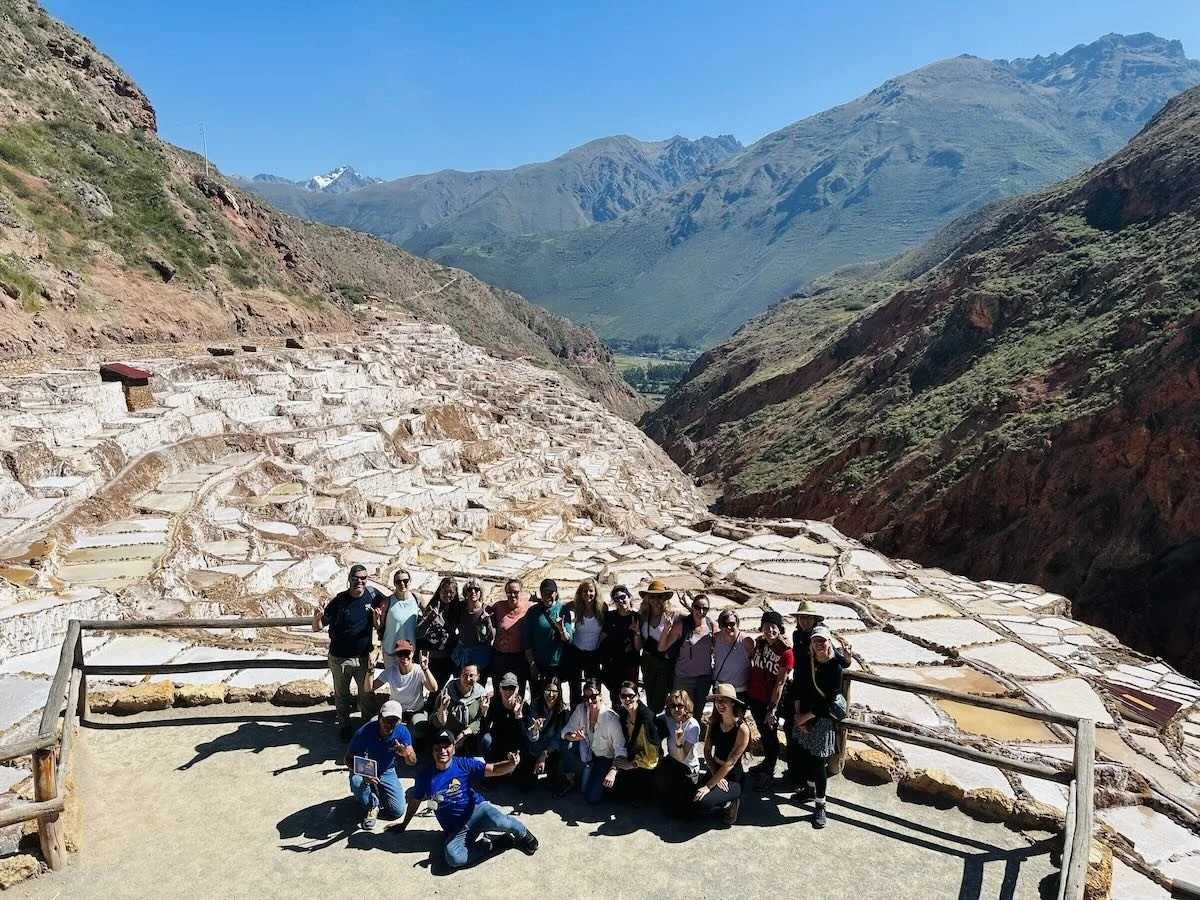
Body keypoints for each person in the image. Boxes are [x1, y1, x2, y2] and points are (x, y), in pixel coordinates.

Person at [395, 730, 538, 869]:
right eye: (438, 748)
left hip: (477, 811)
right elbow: (415, 802)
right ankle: (491, 844)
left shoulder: (463, 764)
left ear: (454, 749)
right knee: (453, 858)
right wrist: (404, 824)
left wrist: (511, 764)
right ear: (432, 752)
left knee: (502, 822)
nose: (442, 751)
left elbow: (493, 769)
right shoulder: (424, 776)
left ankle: (524, 833)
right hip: (456, 829)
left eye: (447, 746)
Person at [313, 564, 386, 738]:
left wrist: (378, 619)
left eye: (363, 578)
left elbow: (387, 605)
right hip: (339, 658)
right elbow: (319, 626)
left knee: (367, 694)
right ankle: (344, 725)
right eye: (356, 578)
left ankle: (368, 729)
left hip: (363, 658)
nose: (359, 582)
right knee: (342, 694)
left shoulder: (372, 596)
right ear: (349, 579)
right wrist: (316, 619)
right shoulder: (340, 600)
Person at [786, 600, 850, 784]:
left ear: (815, 620)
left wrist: (847, 657)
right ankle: (798, 778)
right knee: (798, 736)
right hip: (800, 691)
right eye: (802, 617)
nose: (805, 621)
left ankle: (812, 786)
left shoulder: (821, 637)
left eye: (809, 618)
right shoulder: (797, 635)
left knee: (815, 747)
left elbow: (840, 662)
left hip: (816, 700)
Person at [792, 625, 845, 829]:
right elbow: (798, 687)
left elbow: (830, 701)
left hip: (821, 717)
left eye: (823, 641)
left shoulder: (835, 667)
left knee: (818, 761)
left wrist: (804, 717)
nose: (819, 644)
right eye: (816, 641)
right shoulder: (807, 662)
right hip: (804, 715)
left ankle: (821, 804)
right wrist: (798, 715)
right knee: (807, 755)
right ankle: (810, 789)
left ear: (829, 642)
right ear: (811, 644)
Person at [345, 699, 416, 831]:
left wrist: (406, 754)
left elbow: (412, 761)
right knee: (356, 781)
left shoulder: (402, 732)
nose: (389, 724)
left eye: (394, 721)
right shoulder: (364, 732)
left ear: (399, 722)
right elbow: (348, 759)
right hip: (366, 767)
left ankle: (378, 792)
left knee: (397, 811)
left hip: (387, 770)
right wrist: (363, 773)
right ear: (379, 718)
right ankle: (372, 805)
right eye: (386, 720)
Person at [746, 610, 794, 788]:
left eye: (773, 627)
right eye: (766, 627)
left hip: (770, 701)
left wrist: (772, 708)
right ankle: (767, 764)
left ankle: (769, 773)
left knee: (771, 736)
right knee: (765, 734)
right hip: (755, 696)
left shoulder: (786, 652)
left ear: (779, 629)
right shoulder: (759, 643)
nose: (769, 631)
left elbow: (780, 683)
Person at [560, 676, 627, 803]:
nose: (590, 701)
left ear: (600, 695)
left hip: (605, 758)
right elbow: (565, 732)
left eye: (593, 697)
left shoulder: (611, 719)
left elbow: (620, 749)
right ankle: (571, 778)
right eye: (586, 698)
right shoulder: (581, 709)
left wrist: (613, 771)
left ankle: (610, 782)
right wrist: (574, 737)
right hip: (589, 754)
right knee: (566, 743)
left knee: (592, 798)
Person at [694, 683, 750, 825]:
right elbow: (706, 752)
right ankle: (721, 800)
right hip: (715, 769)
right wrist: (715, 777)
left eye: (723, 700)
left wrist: (709, 786)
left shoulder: (742, 729)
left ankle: (732, 802)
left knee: (703, 802)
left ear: (732, 702)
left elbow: (731, 761)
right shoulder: (713, 722)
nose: (719, 704)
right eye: (717, 700)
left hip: (732, 777)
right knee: (692, 799)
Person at [371, 640, 438, 743]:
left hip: (415, 710)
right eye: (400, 654)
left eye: (406, 653)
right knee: (374, 723)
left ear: (412, 653)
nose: (404, 657)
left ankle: (416, 740)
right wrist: (370, 670)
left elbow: (434, 688)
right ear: (396, 656)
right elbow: (369, 688)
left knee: (420, 728)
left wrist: (425, 669)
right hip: (395, 711)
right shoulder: (391, 671)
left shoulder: (418, 670)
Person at [659, 592, 715, 715]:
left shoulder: (712, 626)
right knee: (680, 712)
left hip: (704, 679)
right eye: (697, 607)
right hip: (683, 678)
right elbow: (662, 647)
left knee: (698, 713)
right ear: (693, 607)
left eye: (705, 608)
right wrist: (666, 630)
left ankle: (695, 734)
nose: (701, 611)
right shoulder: (681, 626)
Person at [654, 689, 702, 817]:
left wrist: (679, 741)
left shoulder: (692, 726)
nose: (676, 709)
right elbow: (652, 717)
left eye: (680, 706)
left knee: (679, 813)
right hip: (671, 762)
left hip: (687, 767)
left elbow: (682, 757)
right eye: (673, 706)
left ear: (686, 706)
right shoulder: (668, 718)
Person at [519, 675, 571, 791]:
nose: (551, 695)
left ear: (559, 693)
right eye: (548, 691)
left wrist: (544, 754)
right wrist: (535, 730)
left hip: (551, 751)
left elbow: (559, 737)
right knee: (524, 786)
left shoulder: (564, 711)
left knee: (554, 785)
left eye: (554, 692)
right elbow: (532, 738)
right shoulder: (536, 705)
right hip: (534, 749)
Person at [523, 579, 573, 697]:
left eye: (550, 592)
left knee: (554, 698)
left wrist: (561, 629)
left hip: (556, 666)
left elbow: (568, 639)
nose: (547, 596)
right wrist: (532, 664)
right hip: (538, 664)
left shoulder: (563, 610)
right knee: (537, 698)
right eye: (544, 592)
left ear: (556, 593)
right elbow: (526, 640)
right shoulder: (533, 612)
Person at [611, 681, 660, 802]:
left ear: (637, 696)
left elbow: (653, 755)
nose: (627, 699)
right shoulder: (623, 714)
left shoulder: (646, 718)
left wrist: (632, 764)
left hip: (646, 763)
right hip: (630, 756)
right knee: (612, 793)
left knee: (638, 799)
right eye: (623, 696)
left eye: (631, 696)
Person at [433, 663, 489, 755]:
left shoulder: (481, 694)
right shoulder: (447, 692)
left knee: (486, 740)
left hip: (469, 733)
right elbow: (438, 722)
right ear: (460, 675)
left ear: (478, 677)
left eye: (472, 676)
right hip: (449, 732)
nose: (467, 679)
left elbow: (480, 722)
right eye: (465, 675)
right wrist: (442, 709)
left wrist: (464, 734)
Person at [565, 579, 605, 705]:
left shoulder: (602, 608)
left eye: (591, 591)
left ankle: (594, 714)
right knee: (574, 688)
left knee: (593, 689)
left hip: (594, 653)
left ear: (596, 592)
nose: (588, 594)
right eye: (585, 591)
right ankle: (575, 715)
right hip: (576, 652)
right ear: (580, 593)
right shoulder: (573, 607)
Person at [489, 578, 532, 697]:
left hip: (519, 657)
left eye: (516, 592)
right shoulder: (498, 607)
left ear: (521, 592)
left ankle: (518, 714)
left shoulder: (529, 608)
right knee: (498, 690)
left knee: (519, 691)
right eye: (509, 592)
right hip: (499, 656)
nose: (512, 595)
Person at [638, 581, 676, 714]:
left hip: (664, 663)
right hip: (648, 663)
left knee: (658, 701)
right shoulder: (642, 617)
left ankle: (653, 728)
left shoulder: (672, 616)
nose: (656, 600)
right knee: (650, 696)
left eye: (659, 597)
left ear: (664, 598)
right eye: (652, 597)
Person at [600, 584, 640, 707]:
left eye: (623, 597)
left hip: (630, 664)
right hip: (612, 665)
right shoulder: (610, 617)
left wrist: (637, 632)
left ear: (629, 597)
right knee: (616, 699)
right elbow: (602, 637)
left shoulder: (636, 617)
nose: (621, 601)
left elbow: (638, 647)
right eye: (616, 599)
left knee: (630, 697)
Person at [418, 576, 459, 688]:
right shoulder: (432, 608)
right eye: (445, 591)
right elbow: (419, 633)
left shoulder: (456, 610)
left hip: (446, 659)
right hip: (429, 659)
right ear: (439, 591)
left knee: (438, 690)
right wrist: (430, 618)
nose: (448, 595)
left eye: (451, 592)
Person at [376, 568, 420, 672]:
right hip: (391, 651)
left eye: (405, 581)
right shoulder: (387, 602)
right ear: (394, 583)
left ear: (410, 581)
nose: (402, 584)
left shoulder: (417, 599)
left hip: (410, 652)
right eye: (398, 581)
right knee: (394, 683)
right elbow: (380, 626)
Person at [479, 672, 526, 765]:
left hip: (515, 747)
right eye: (505, 688)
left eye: (511, 688)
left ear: (517, 690)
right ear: (500, 689)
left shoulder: (524, 706)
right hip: (497, 743)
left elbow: (523, 737)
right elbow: (483, 730)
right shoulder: (493, 703)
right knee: (485, 739)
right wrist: (484, 713)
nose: (508, 691)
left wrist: (518, 716)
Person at [452, 577, 494, 677]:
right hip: (461, 655)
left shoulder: (487, 609)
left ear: (481, 592)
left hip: (480, 656)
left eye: (476, 589)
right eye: (470, 589)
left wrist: (488, 622)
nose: (473, 592)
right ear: (465, 592)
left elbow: (492, 636)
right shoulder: (460, 608)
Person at [711, 609, 754, 700]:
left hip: (739, 690)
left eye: (731, 624)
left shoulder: (747, 642)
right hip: (720, 688)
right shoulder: (715, 638)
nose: (728, 627)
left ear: (737, 623)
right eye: (724, 624)